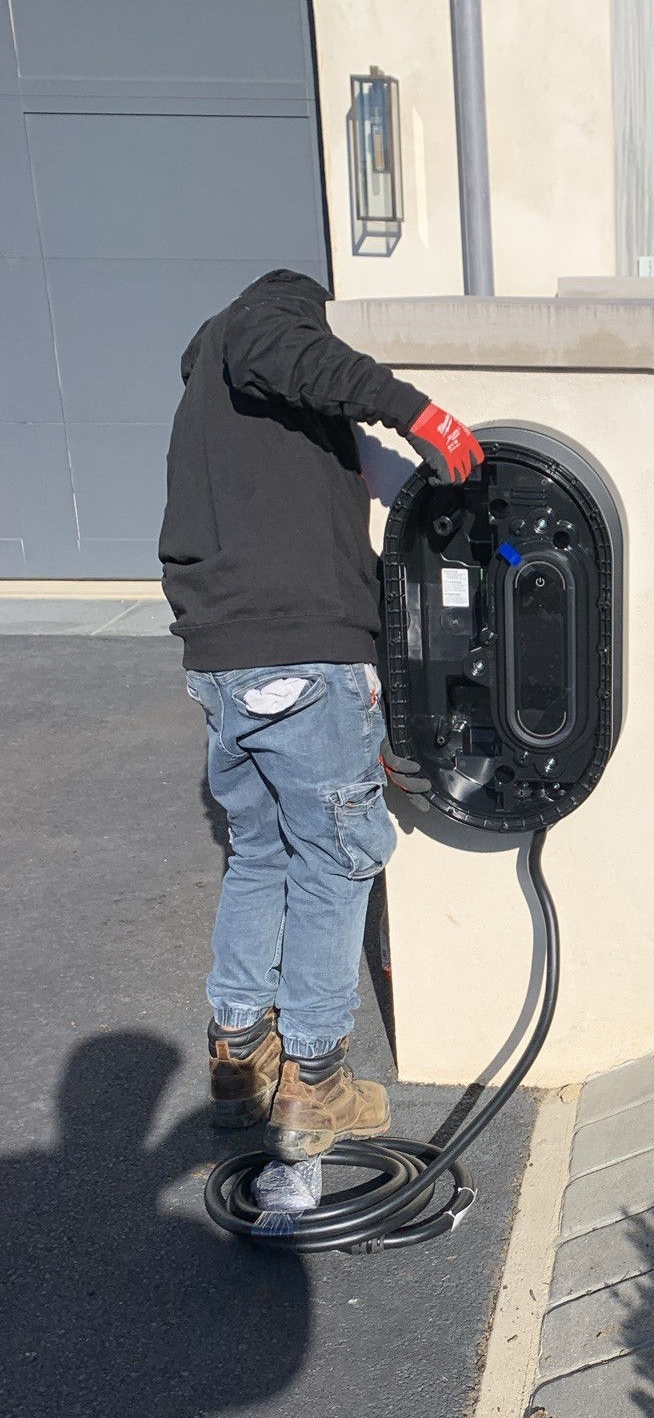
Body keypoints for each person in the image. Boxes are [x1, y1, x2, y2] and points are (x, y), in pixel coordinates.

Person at [159, 269, 482, 1161]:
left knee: (260, 852)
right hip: (303, 657)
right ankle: (315, 1078)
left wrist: (421, 472)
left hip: (221, 668)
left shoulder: (222, 418)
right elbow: (285, 349)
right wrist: (423, 414)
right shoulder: (261, 321)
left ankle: (240, 1057)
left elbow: (366, 476)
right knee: (340, 861)